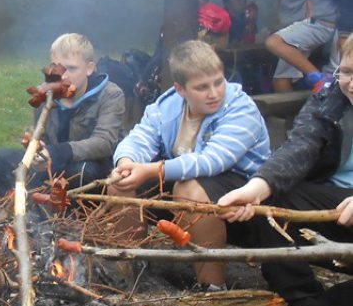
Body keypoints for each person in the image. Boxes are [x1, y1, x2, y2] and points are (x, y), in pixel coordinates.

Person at [217, 39, 353, 306]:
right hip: (333, 204)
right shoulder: (330, 98)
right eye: (346, 72)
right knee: (276, 200)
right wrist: (259, 186)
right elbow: (301, 145)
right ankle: (303, 303)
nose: (351, 84)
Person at [108, 40, 270, 288]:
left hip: (244, 195)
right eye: (202, 87)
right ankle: (131, 270)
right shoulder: (166, 106)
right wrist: (126, 162)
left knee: (189, 190)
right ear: (180, 89)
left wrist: (151, 170)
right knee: (121, 182)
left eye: (218, 82)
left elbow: (213, 160)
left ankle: (212, 287)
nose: (214, 93)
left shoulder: (241, 108)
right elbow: (138, 138)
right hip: (184, 182)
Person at [0, 33, 124, 195]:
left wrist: (59, 152)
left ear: (89, 69)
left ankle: (66, 210)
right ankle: (27, 207)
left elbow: (104, 142)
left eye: (71, 68)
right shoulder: (45, 94)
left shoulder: (110, 94)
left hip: (89, 166)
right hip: (52, 164)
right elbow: (42, 137)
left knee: (82, 172)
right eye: (56, 67)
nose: (63, 76)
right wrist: (38, 152)